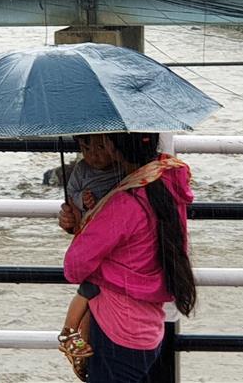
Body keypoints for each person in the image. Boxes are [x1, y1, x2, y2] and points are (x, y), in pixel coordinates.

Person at [59, 132, 196, 382]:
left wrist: (83, 224)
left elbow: (74, 267)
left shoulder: (124, 204)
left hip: (116, 325)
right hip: (148, 323)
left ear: (112, 146)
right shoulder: (166, 182)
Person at [58, 134, 123, 378]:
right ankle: (76, 338)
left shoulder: (122, 171)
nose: (93, 154)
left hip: (103, 246)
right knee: (89, 292)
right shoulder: (82, 170)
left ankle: (73, 335)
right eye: (86, 148)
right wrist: (76, 205)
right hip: (92, 243)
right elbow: (72, 193)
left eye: (100, 147)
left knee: (90, 292)